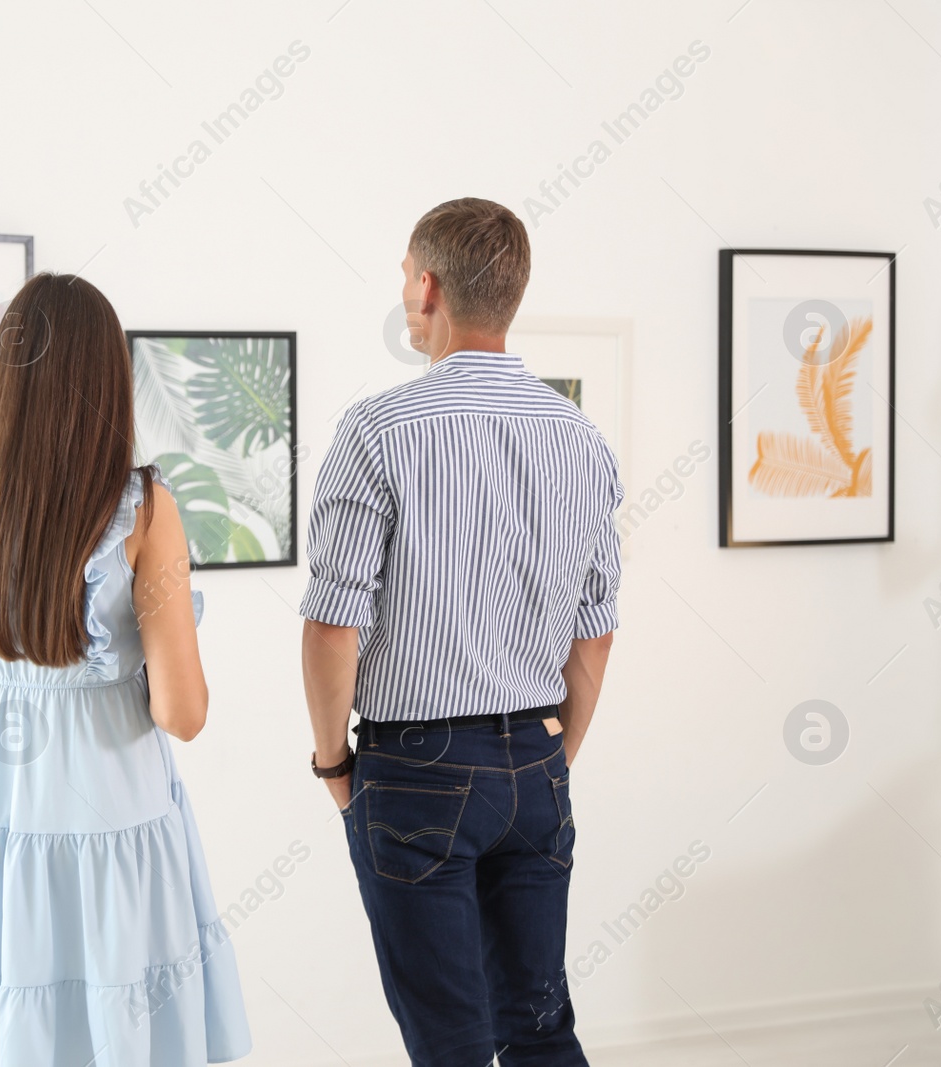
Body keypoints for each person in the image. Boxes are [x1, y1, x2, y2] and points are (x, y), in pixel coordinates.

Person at [0, 273, 251, 1067]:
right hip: (111, 818)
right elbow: (182, 712)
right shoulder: (142, 509)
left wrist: (12, 675)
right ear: (108, 384)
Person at [299, 198, 621, 1066]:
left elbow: (334, 626)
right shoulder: (581, 439)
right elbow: (594, 633)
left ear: (429, 284)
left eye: (407, 276)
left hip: (414, 772)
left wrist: (334, 762)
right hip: (535, 768)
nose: (406, 293)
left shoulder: (378, 429)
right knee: (542, 1028)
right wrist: (553, 757)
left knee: (450, 1044)